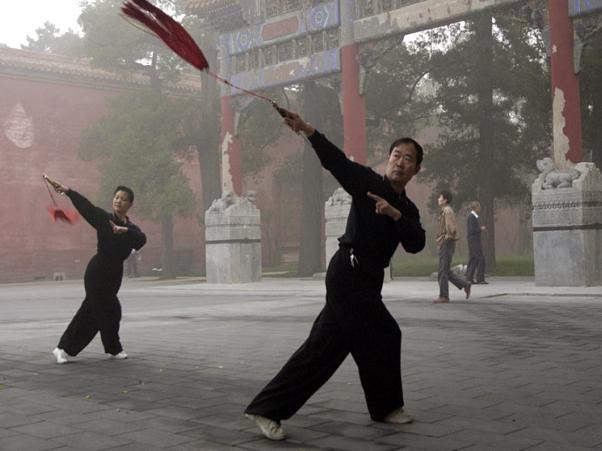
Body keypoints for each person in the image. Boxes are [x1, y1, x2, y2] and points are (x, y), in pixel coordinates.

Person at [244, 107, 425, 441]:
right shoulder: (369, 183)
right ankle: (383, 407)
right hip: (348, 272)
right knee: (375, 336)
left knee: (332, 344)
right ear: (388, 160)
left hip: (367, 281)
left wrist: (395, 214)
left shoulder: (408, 210)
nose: (400, 162)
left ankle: (268, 407)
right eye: (396, 155)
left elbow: (417, 243)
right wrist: (307, 129)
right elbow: (337, 161)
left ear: (415, 170)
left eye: (408, 159)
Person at [44, 176, 147, 364]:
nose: (119, 201)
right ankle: (110, 348)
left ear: (130, 204)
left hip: (114, 275)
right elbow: (86, 207)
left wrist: (124, 231)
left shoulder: (132, 229)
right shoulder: (104, 219)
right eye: (117, 197)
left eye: (123, 199)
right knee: (108, 310)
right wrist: (68, 191)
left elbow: (141, 239)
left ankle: (63, 348)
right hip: (97, 272)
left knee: (94, 311)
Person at [434, 190, 471, 303]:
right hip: (445, 242)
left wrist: (446, 238)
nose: (438, 199)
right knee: (445, 270)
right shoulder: (445, 211)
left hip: (447, 242)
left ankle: (444, 296)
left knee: (442, 271)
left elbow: (451, 228)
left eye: (440, 197)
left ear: (445, 200)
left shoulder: (447, 211)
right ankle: (465, 284)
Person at [466, 201, 487, 284]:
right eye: (479, 207)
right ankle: (480, 278)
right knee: (480, 259)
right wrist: (480, 229)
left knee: (473, 259)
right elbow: (472, 229)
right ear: (476, 208)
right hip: (474, 241)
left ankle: (469, 278)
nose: (480, 209)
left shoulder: (473, 217)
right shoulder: (472, 217)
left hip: (473, 241)